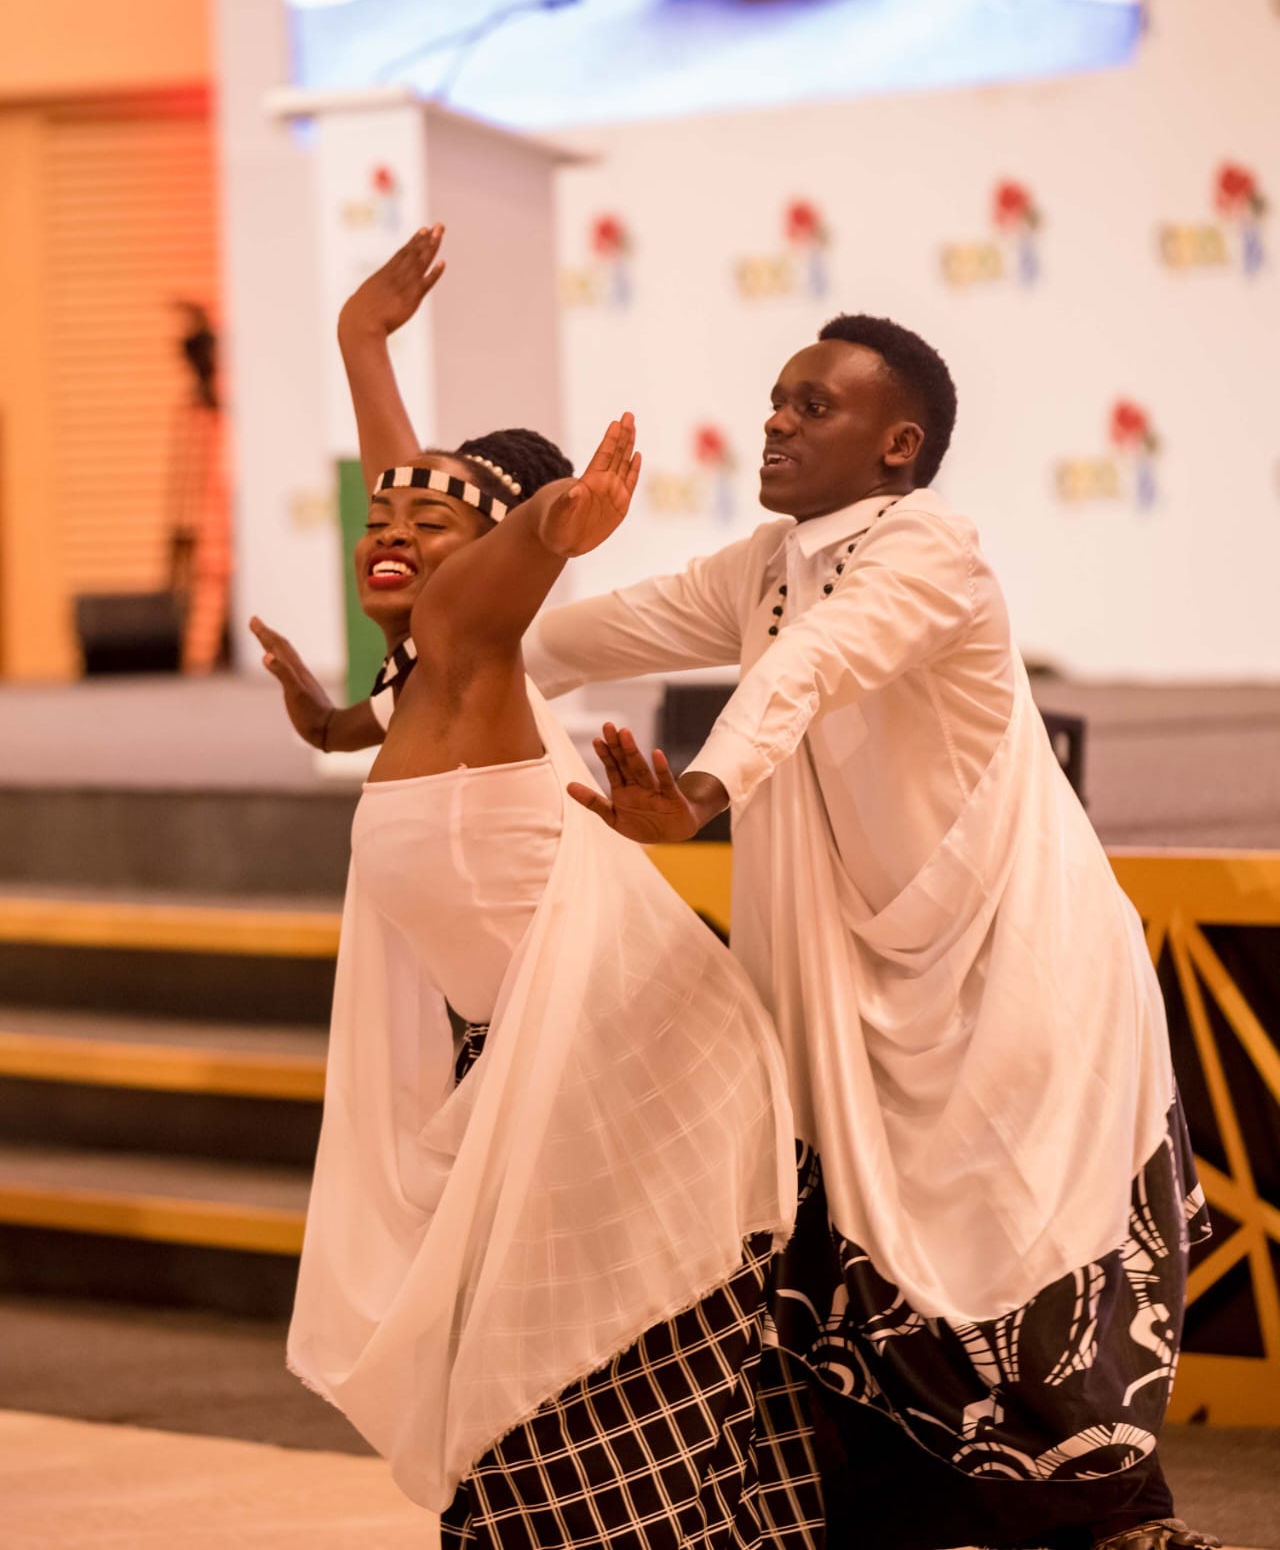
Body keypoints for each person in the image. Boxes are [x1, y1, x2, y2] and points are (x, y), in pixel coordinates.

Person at [330, 263, 1216, 1550]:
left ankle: (1115, 1517)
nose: (774, 421)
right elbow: (563, 640)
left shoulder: (929, 549)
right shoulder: (763, 566)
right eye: (774, 400)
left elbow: (813, 665)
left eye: (811, 405)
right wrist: (376, 703)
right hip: (851, 974)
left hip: (1006, 967)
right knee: (854, 1257)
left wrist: (697, 791)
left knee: (1023, 1239)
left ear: (895, 445)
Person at [263, 231, 823, 1550]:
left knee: (582, 1374)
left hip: (641, 1056)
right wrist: (359, 342)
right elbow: (413, 517)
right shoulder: (415, 674)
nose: (391, 539)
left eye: (430, 531)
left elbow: (473, 567)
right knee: (542, 1381)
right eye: (377, 524)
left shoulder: (465, 640)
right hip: (560, 1056)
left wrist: (545, 529)